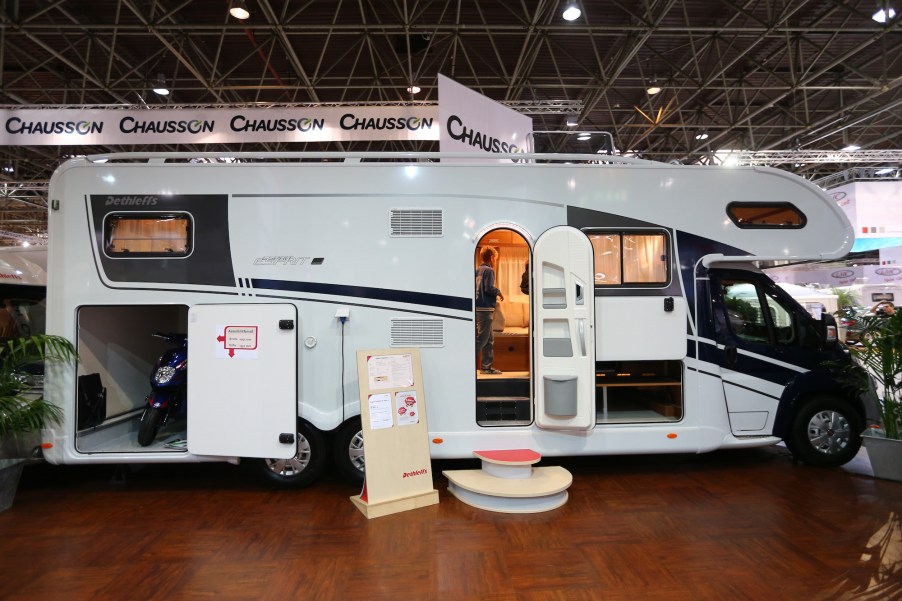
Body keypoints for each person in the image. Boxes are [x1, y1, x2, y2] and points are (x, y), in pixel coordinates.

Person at [475, 247, 504, 374]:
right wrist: (499, 292)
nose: (495, 261)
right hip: (485, 308)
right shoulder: (489, 270)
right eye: (495, 259)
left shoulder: (478, 270)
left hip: (479, 308)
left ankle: (486, 367)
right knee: (482, 338)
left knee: (489, 339)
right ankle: (466, 361)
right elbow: (489, 288)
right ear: (492, 258)